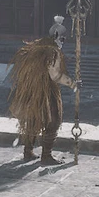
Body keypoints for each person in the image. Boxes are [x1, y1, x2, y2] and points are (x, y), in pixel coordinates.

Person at [8, 16, 78, 165]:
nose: (63, 42)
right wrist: (73, 83)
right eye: (63, 39)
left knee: (33, 120)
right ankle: (46, 155)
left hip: (30, 91)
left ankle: (28, 151)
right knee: (53, 121)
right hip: (46, 92)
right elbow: (55, 75)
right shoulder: (52, 51)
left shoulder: (37, 47)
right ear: (58, 37)